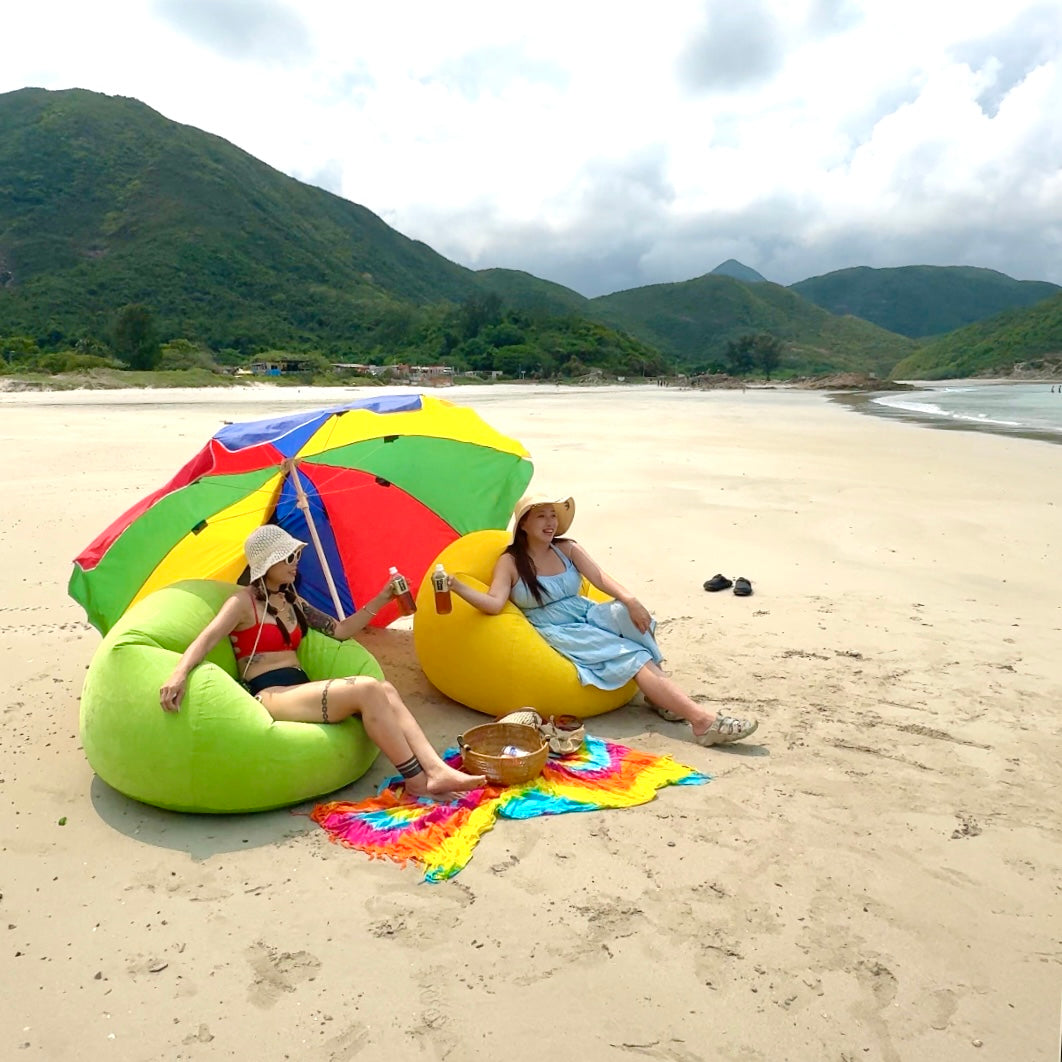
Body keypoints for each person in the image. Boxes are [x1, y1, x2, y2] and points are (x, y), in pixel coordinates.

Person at [159, 524, 486, 799]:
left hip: (300, 688)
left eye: (296, 555)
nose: (296, 563)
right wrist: (179, 673)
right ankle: (416, 781)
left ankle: (436, 770)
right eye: (289, 557)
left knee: (384, 689)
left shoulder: (292, 601)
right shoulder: (242, 603)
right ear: (267, 564)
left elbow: (340, 630)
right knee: (368, 688)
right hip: (270, 694)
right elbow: (208, 638)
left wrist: (383, 598)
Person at [448, 493, 759, 747]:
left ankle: (660, 698)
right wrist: (456, 586)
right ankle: (702, 722)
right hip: (558, 628)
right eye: (541, 516)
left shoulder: (566, 549)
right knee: (633, 656)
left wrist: (631, 601)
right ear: (524, 524)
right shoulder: (511, 562)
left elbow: (599, 577)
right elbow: (494, 603)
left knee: (627, 615)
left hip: (584, 612)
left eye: (553, 515)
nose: (550, 522)